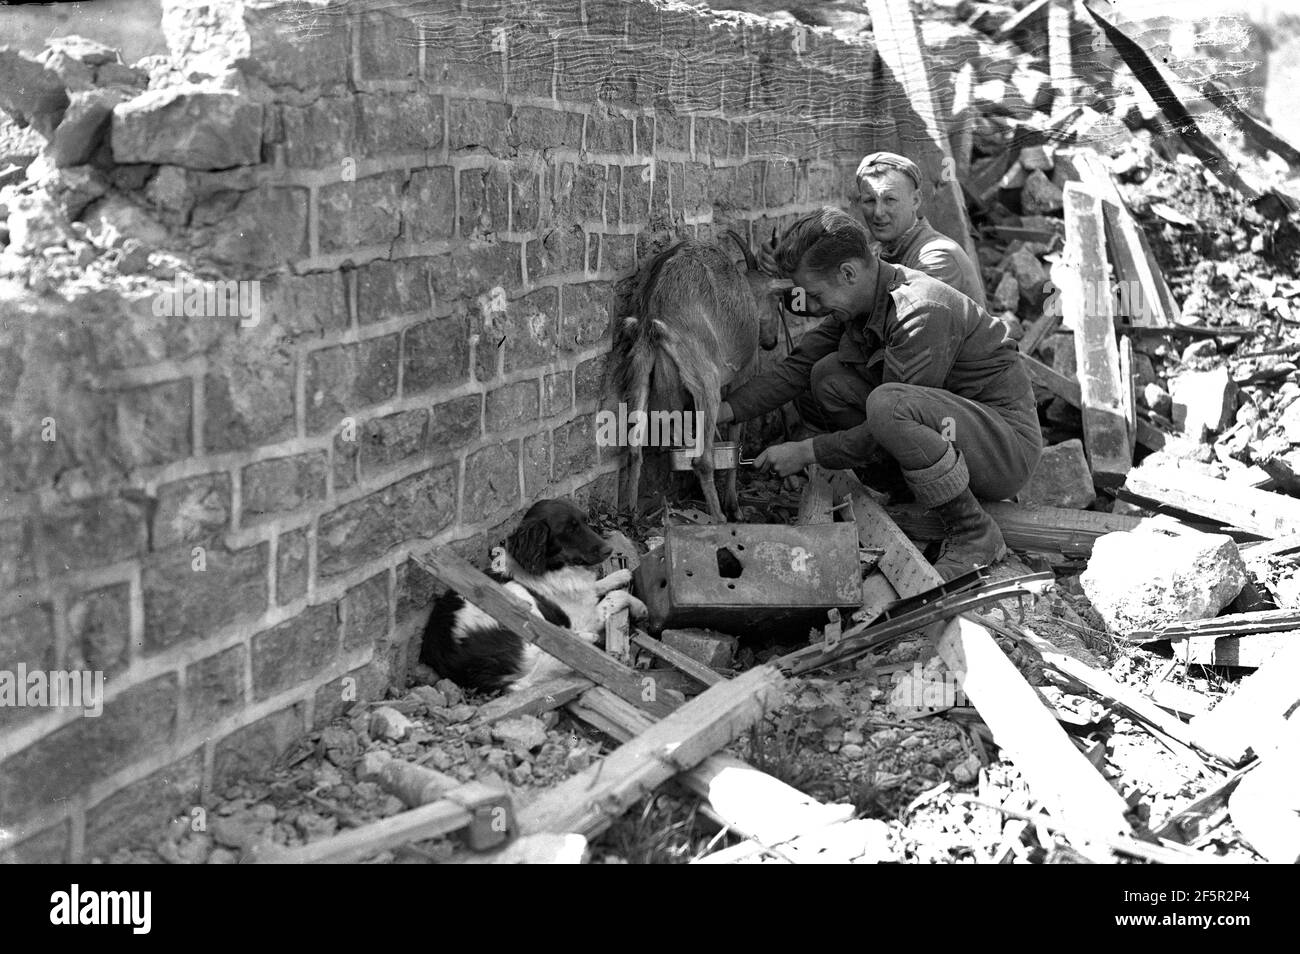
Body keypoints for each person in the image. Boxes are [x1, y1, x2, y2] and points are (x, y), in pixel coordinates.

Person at [718, 207, 1042, 580]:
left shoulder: (920, 309)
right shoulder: (858, 302)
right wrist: (723, 410)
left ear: (848, 273)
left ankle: (974, 532)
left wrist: (807, 452)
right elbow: (797, 369)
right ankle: (908, 495)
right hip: (952, 436)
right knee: (828, 376)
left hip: (1004, 450)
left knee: (887, 405)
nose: (813, 306)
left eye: (816, 295)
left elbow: (887, 423)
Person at [759, 151, 986, 308]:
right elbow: (825, 305)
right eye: (869, 201)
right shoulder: (877, 251)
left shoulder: (937, 256)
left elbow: (891, 318)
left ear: (916, 200)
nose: (878, 212)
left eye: (889, 200)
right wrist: (788, 274)